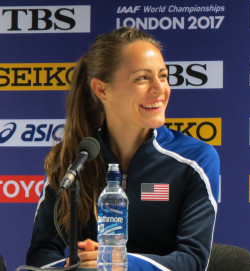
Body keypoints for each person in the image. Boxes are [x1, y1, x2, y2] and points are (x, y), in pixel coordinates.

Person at [26, 27, 220, 271]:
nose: (160, 89)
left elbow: (193, 261)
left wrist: (118, 263)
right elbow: (41, 254)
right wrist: (73, 265)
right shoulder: (75, 159)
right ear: (101, 90)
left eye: (163, 76)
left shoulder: (195, 159)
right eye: (142, 78)